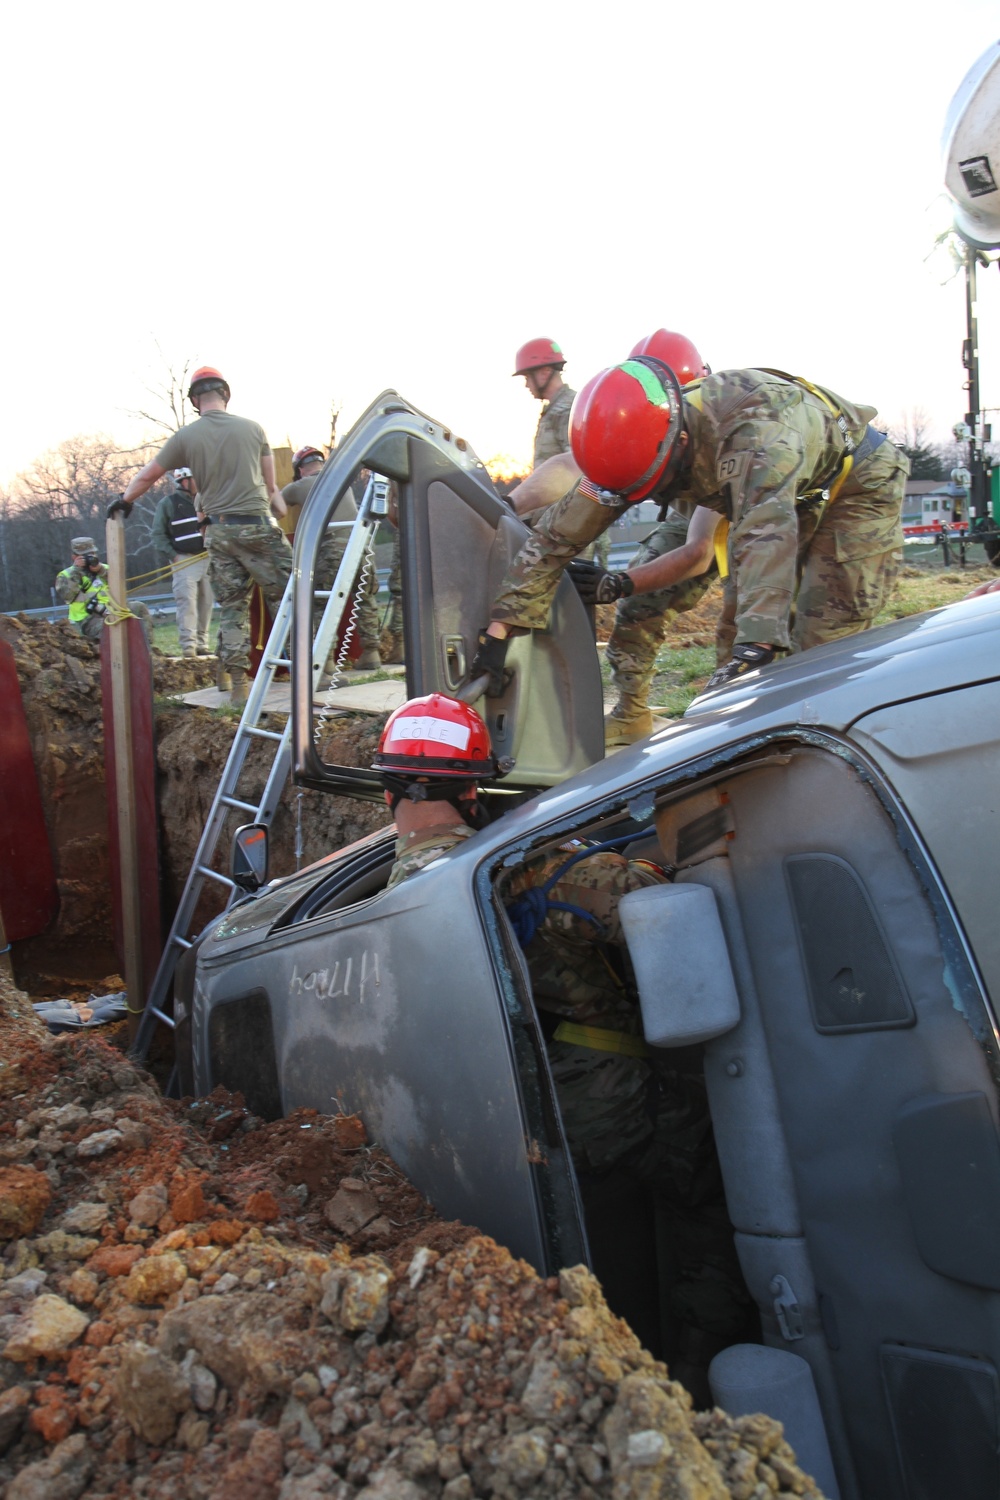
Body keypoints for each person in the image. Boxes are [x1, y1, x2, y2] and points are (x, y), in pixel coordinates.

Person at [373, 692, 750, 1397]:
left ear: (389, 788)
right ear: (473, 787)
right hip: (605, 1099)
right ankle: (702, 1373)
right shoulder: (533, 867)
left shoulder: (388, 890)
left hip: (511, 1108)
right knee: (709, 1184)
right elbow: (652, 901)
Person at [473, 357, 908, 700]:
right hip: (782, 494)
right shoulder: (624, 449)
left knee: (819, 640)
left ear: (679, 444)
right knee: (732, 645)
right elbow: (554, 541)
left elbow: (762, 534)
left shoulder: (750, 432)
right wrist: (499, 632)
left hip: (856, 486)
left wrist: (759, 645)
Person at [109, 366, 292, 706]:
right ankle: (310, 672)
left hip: (219, 532)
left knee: (234, 607)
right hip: (256, 525)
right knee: (287, 598)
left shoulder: (186, 437)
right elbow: (271, 488)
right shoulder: (253, 429)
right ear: (225, 394)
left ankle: (237, 684)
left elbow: (148, 475)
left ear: (195, 400)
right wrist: (280, 511)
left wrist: (124, 501)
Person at [282, 446, 383, 674]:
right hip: (361, 545)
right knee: (365, 599)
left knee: (321, 605)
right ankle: (372, 653)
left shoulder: (300, 485)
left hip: (333, 547)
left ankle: (325, 661)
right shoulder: (340, 481)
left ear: (300, 469)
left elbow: (273, 507)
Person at [151, 467, 214, 659]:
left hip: (208, 557)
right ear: (185, 481)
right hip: (184, 559)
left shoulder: (207, 500)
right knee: (187, 602)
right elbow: (157, 535)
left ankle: (202, 643)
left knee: (207, 601)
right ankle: (189, 646)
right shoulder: (169, 504)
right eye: (196, 478)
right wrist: (174, 556)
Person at [513, 337, 577, 470]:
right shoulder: (555, 409)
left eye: (528, 377)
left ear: (545, 372)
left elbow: (577, 469)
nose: (526, 385)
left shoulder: (566, 410)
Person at [55, 538, 112, 642]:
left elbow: (120, 585)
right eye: (85, 556)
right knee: (110, 628)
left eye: (92, 554)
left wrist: (101, 570)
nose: (90, 558)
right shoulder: (65, 575)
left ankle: (148, 651)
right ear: (74, 557)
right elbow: (68, 596)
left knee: (139, 608)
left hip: (113, 610)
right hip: (88, 618)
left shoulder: (105, 568)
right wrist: (76, 572)